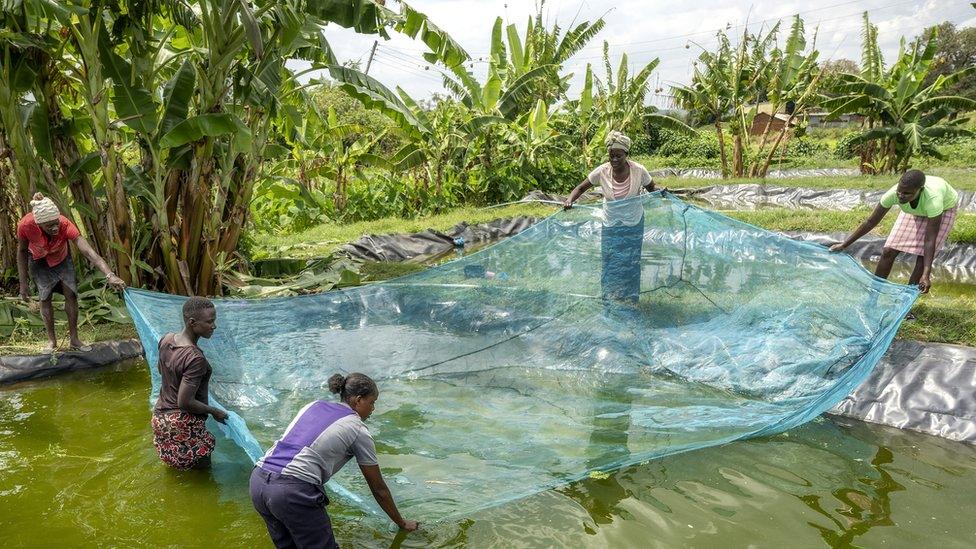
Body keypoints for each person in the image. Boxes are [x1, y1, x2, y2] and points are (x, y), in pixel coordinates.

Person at [250, 373, 418, 548]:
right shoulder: (358, 429)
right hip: (292, 490)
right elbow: (378, 488)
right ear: (358, 400)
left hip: (258, 481)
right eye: (372, 402)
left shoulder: (313, 405)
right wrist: (402, 523)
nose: (373, 409)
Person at [16, 193, 126, 352]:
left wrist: (110, 275)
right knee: (45, 298)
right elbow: (21, 251)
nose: (55, 228)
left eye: (56, 224)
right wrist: (23, 284)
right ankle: (51, 341)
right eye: (49, 226)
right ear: (39, 224)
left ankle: (74, 339)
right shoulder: (25, 225)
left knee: (71, 294)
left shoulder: (65, 224)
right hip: (39, 261)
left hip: (62, 259)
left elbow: (89, 252)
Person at [830, 169, 958, 294]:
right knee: (888, 250)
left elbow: (930, 239)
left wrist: (926, 274)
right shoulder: (894, 194)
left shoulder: (933, 200)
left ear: (920, 190)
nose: (901, 196)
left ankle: (906, 305)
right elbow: (870, 222)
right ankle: (873, 296)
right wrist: (844, 244)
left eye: (907, 193)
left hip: (944, 209)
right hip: (914, 210)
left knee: (922, 259)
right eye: (899, 191)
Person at [563, 131, 655, 304]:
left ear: (626, 155)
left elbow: (652, 188)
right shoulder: (602, 171)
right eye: (611, 155)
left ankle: (631, 297)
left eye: (618, 156)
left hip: (633, 222)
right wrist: (569, 200)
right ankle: (608, 295)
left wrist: (664, 194)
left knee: (631, 260)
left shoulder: (639, 170)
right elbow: (581, 188)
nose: (614, 159)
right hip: (610, 223)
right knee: (609, 259)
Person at [151, 297, 228, 470]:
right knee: (203, 478)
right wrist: (214, 411)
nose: (214, 326)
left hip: (160, 419)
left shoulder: (166, 339)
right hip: (183, 424)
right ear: (192, 322)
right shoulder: (195, 358)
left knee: (179, 474)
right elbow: (184, 402)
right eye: (209, 322)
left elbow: (161, 370)